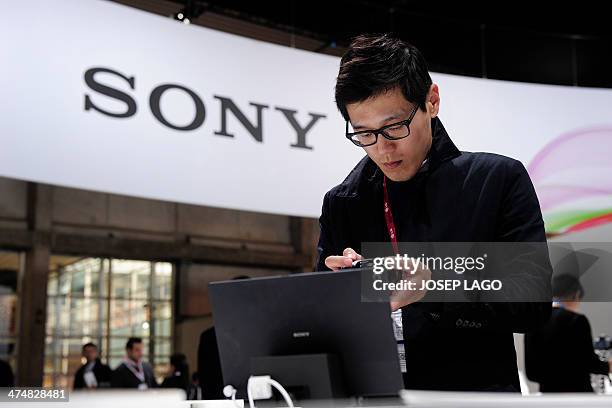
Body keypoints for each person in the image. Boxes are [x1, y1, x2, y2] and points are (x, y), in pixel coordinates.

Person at [316, 33, 552, 392]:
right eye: (364, 134)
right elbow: (323, 327)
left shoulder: (495, 181)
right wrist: (341, 291)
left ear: (432, 101)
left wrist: (436, 285)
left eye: (395, 127)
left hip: (475, 398)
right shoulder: (343, 203)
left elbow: (531, 305)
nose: (383, 149)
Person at [525, 274, 612, 392]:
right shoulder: (576, 320)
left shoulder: (534, 322)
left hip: (547, 396)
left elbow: (532, 373)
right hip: (577, 396)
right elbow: (589, 363)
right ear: (575, 295)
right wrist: (608, 366)